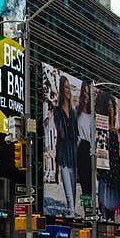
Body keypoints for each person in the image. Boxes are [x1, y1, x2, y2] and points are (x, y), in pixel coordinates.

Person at [97, 95, 120, 223]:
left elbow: (118, 153)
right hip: (106, 172)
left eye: (111, 106)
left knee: (118, 209)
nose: (110, 109)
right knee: (105, 208)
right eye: (107, 106)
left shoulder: (115, 130)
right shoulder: (101, 128)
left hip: (117, 172)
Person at [53, 75, 78, 217]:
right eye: (65, 87)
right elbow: (61, 133)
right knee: (69, 191)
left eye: (69, 87)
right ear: (62, 90)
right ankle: (71, 213)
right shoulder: (57, 110)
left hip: (73, 154)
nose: (68, 90)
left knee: (73, 190)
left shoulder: (74, 112)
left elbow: (76, 134)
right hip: (63, 154)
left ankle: (72, 213)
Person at [76, 81, 94, 206]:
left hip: (93, 150)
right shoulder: (77, 112)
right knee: (84, 181)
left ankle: (91, 208)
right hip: (82, 146)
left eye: (88, 93)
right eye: (84, 92)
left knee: (92, 182)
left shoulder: (95, 114)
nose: (86, 95)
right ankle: (87, 207)